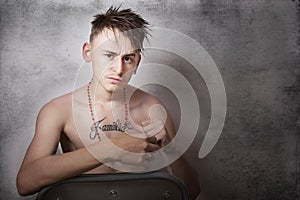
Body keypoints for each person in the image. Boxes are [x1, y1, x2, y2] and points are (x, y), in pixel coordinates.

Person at [16, 6, 200, 199]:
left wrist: (170, 147)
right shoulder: (58, 111)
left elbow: (192, 192)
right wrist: (113, 148)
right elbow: (25, 182)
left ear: (137, 62)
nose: (118, 69)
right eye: (109, 55)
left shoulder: (152, 108)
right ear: (88, 52)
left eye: (127, 58)